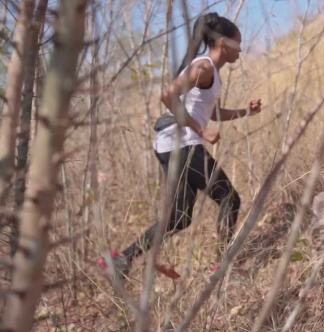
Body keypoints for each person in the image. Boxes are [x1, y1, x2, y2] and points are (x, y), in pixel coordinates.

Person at [97, 13, 261, 279]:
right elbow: (168, 95)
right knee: (229, 198)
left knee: (180, 217)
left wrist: (246, 112)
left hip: (170, 145)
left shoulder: (211, 73)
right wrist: (200, 131)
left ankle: (121, 260)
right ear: (223, 43)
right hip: (181, 144)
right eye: (238, 43)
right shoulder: (203, 68)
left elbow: (211, 112)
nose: (240, 50)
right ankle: (222, 268)